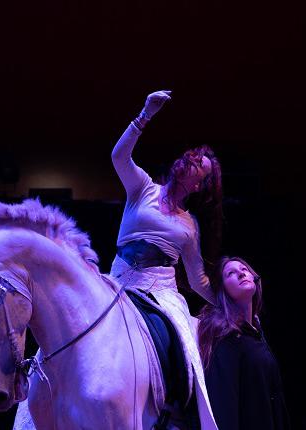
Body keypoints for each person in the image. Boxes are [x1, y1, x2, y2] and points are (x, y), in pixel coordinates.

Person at [109, 90, 223, 430]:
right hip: (117, 283)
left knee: (171, 335)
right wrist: (145, 114)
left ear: (199, 185)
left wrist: (226, 305)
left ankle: (172, 411)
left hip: (159, 291)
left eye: (197, 167)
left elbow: (198, 278)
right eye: (190, 157)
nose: (188, 162)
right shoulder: (143, 188)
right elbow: (119, 156)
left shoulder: (189, 225)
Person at [198, 256, 291, 430]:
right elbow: (225, 409)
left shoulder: (255, 334)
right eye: (230, 273)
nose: (241, 274)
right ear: (222, 290)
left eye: (244, 269)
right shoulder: (226, 340)